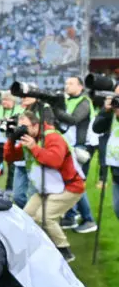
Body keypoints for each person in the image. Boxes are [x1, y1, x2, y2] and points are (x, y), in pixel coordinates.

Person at [3, 111, 85, 262]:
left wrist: (34, 147)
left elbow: (55, 161)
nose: (21, 130)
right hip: (46, 187)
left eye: (24, 126)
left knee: (45, 217)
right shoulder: (30, 138)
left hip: (69, 186)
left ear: (36, 125)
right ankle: (36, 246)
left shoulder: (52, 137)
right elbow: (10, 157)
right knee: (27, 216)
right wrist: (11, 139)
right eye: (19, 127)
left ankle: (64, 250)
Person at [54, 76, 98, 234]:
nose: (67, 86)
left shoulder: (84, 101)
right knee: (68, 183)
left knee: (75, 183)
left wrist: (55, 109)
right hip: (69, 146)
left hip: (81, 147)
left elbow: (73, 119)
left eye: (71, 83)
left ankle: (88, 219)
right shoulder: (68, 101)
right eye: (66, 83)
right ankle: (71, 216)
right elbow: (62, 125)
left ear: (81, 87)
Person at [12, 93, 55, 209]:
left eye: (26, 96)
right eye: (22, 96)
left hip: (36, 158)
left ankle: (32, 216)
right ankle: (29, 214)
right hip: (22, 158)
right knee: (17, 196)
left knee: (32, 195)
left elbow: (48, 128)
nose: (23, 98)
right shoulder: (21, 110)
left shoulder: (44, 108)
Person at [0, 92, 22, 189]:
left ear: (13, 101)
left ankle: (9, 189)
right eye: (3, 100)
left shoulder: (19, 110)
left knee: (12, 168)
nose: (4, 102)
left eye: (7, 100)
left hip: (12, 144)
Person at [92, 93, 119, 220]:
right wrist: (105, 111)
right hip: (115, 167)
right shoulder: (112, 113)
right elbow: (97, 128)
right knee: (117, 208)